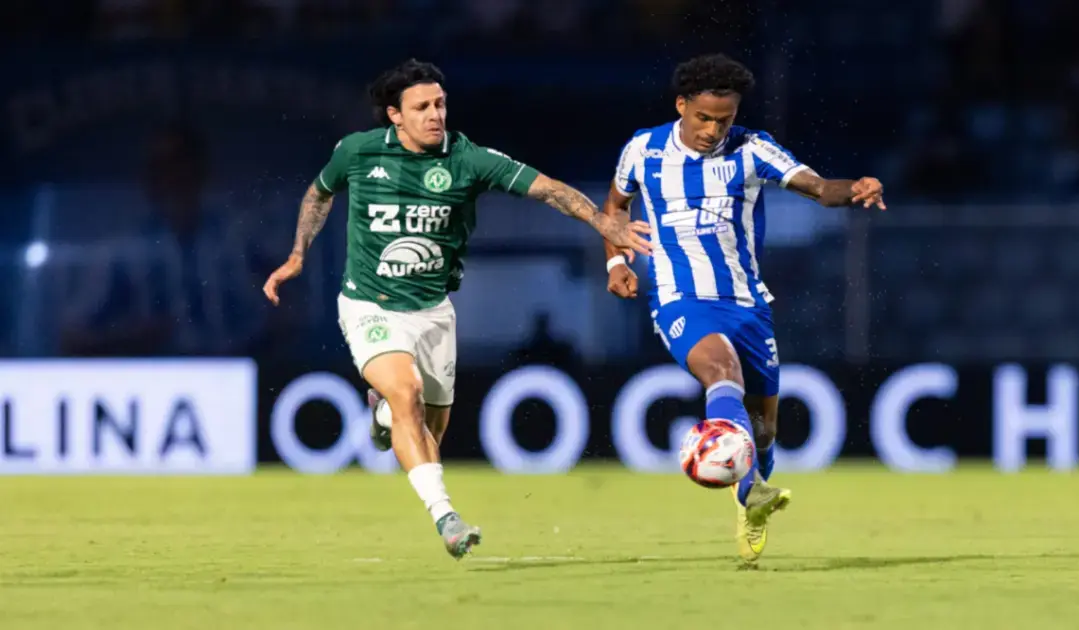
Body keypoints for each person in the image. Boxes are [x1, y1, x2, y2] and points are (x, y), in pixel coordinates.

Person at [263, 59, 652, 560]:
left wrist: (607, 225)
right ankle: (446, 518)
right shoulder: (357, 152)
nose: (434, 115)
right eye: (421, 107)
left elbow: (550, 190)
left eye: (440, 104)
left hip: (434, 311)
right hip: (369, 304)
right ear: (394, 116)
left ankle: (382, 416)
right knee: (407, 392)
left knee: (430, 430)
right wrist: (298, 254)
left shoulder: (469, 159)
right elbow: (319, 195)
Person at [601, 54, 885, 566]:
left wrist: (855, 189)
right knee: (719, 369)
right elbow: (615, 209)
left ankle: (750, 500)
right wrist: (616, 262)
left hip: (749, 304)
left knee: (764, 432)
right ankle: (750, 486)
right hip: (679, 297)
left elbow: (819, 189)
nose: (713, 130)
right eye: (703, 118)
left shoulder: (753, 150)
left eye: (724, 120)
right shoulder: (642, 150)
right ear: (681, 106)